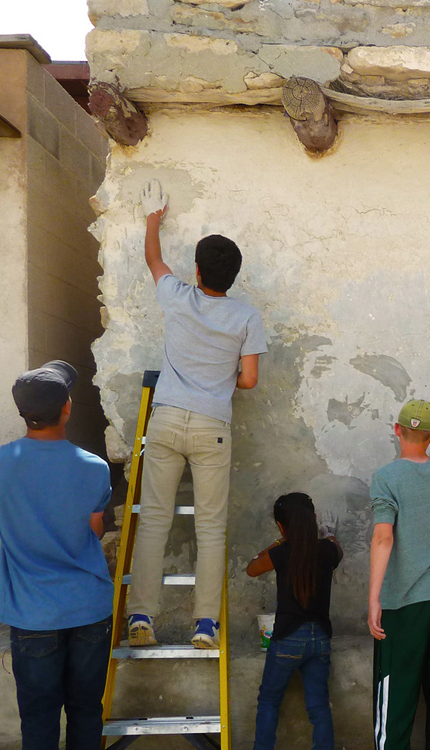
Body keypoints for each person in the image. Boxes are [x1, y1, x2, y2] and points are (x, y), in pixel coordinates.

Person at [126, 179, 268, 649]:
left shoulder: (177, 296)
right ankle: (205, 624)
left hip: (165, 419)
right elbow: (248, 380)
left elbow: (153, 260)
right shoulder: (246, 317)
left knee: (154, 522)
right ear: (234, 277)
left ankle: (141, 617)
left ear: (197, 270)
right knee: (210, 529)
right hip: (212, 427)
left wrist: (153, 217)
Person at [0, 361, 113, 750]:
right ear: (67, 407)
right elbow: (95, 528)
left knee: (38, 716)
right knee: (87, 710)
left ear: (23, 412)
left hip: (32, 612)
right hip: (89, 605)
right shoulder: (94, 467)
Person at [368, 399, 430, 750]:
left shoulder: (386, 477)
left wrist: (374, 599)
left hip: (403, 601)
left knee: (396, 692)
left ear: (397, 430)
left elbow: (383, 536)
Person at [246, 493, 343, 750]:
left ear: (281, 525)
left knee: (269, 701)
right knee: (319, 706)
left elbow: (252, 568)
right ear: (313, 519)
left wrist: (280, 541)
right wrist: (329, 534)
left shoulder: (281, 553)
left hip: (288, 639)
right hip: (321, 638)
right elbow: (335, 547)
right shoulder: (328, 550)